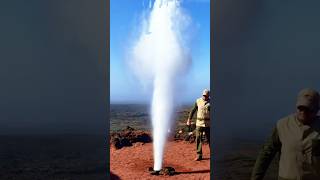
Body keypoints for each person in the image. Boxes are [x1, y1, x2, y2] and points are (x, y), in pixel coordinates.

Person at [251, 88, 320, 180]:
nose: (303, 112)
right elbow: (266, 153)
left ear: (316, 109)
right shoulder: (282, 125)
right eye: (300, 108)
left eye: (307, 109)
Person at [187, 89, 210, 161]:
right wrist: (189, 120)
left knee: (210, 139)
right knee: (198, 139)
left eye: (206, 96)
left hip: (208, 124)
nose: (204, 97)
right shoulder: (198, 101)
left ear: (208, 96)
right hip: (199, 124)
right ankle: (199, 155)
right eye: (203, 95)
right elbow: (193, 111)